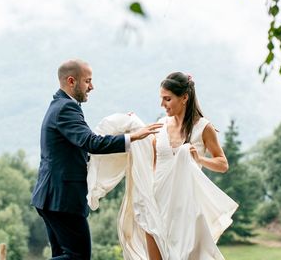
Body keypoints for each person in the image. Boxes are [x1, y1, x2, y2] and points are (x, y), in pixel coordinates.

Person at [86, 72, 238, 260]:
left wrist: (199, 158)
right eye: (161, 99)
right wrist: (133, 126)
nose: (162, 104)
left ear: (184, 98)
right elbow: (148, 156)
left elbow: (222, 164)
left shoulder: (204, 128)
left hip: (184, 206)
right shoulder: (161, 126)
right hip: (155, 202)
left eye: (167, 99)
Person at [31, 59, 162, 260]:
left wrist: (124, 125)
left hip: (51, 196)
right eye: (88, 81)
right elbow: (91, 143)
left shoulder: (61, 106)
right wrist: (134, 136)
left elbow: (82, 142)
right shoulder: (66, 108)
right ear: (71, 81)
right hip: (62, 198)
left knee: (62, 254)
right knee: (78, 256)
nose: (92, 87)